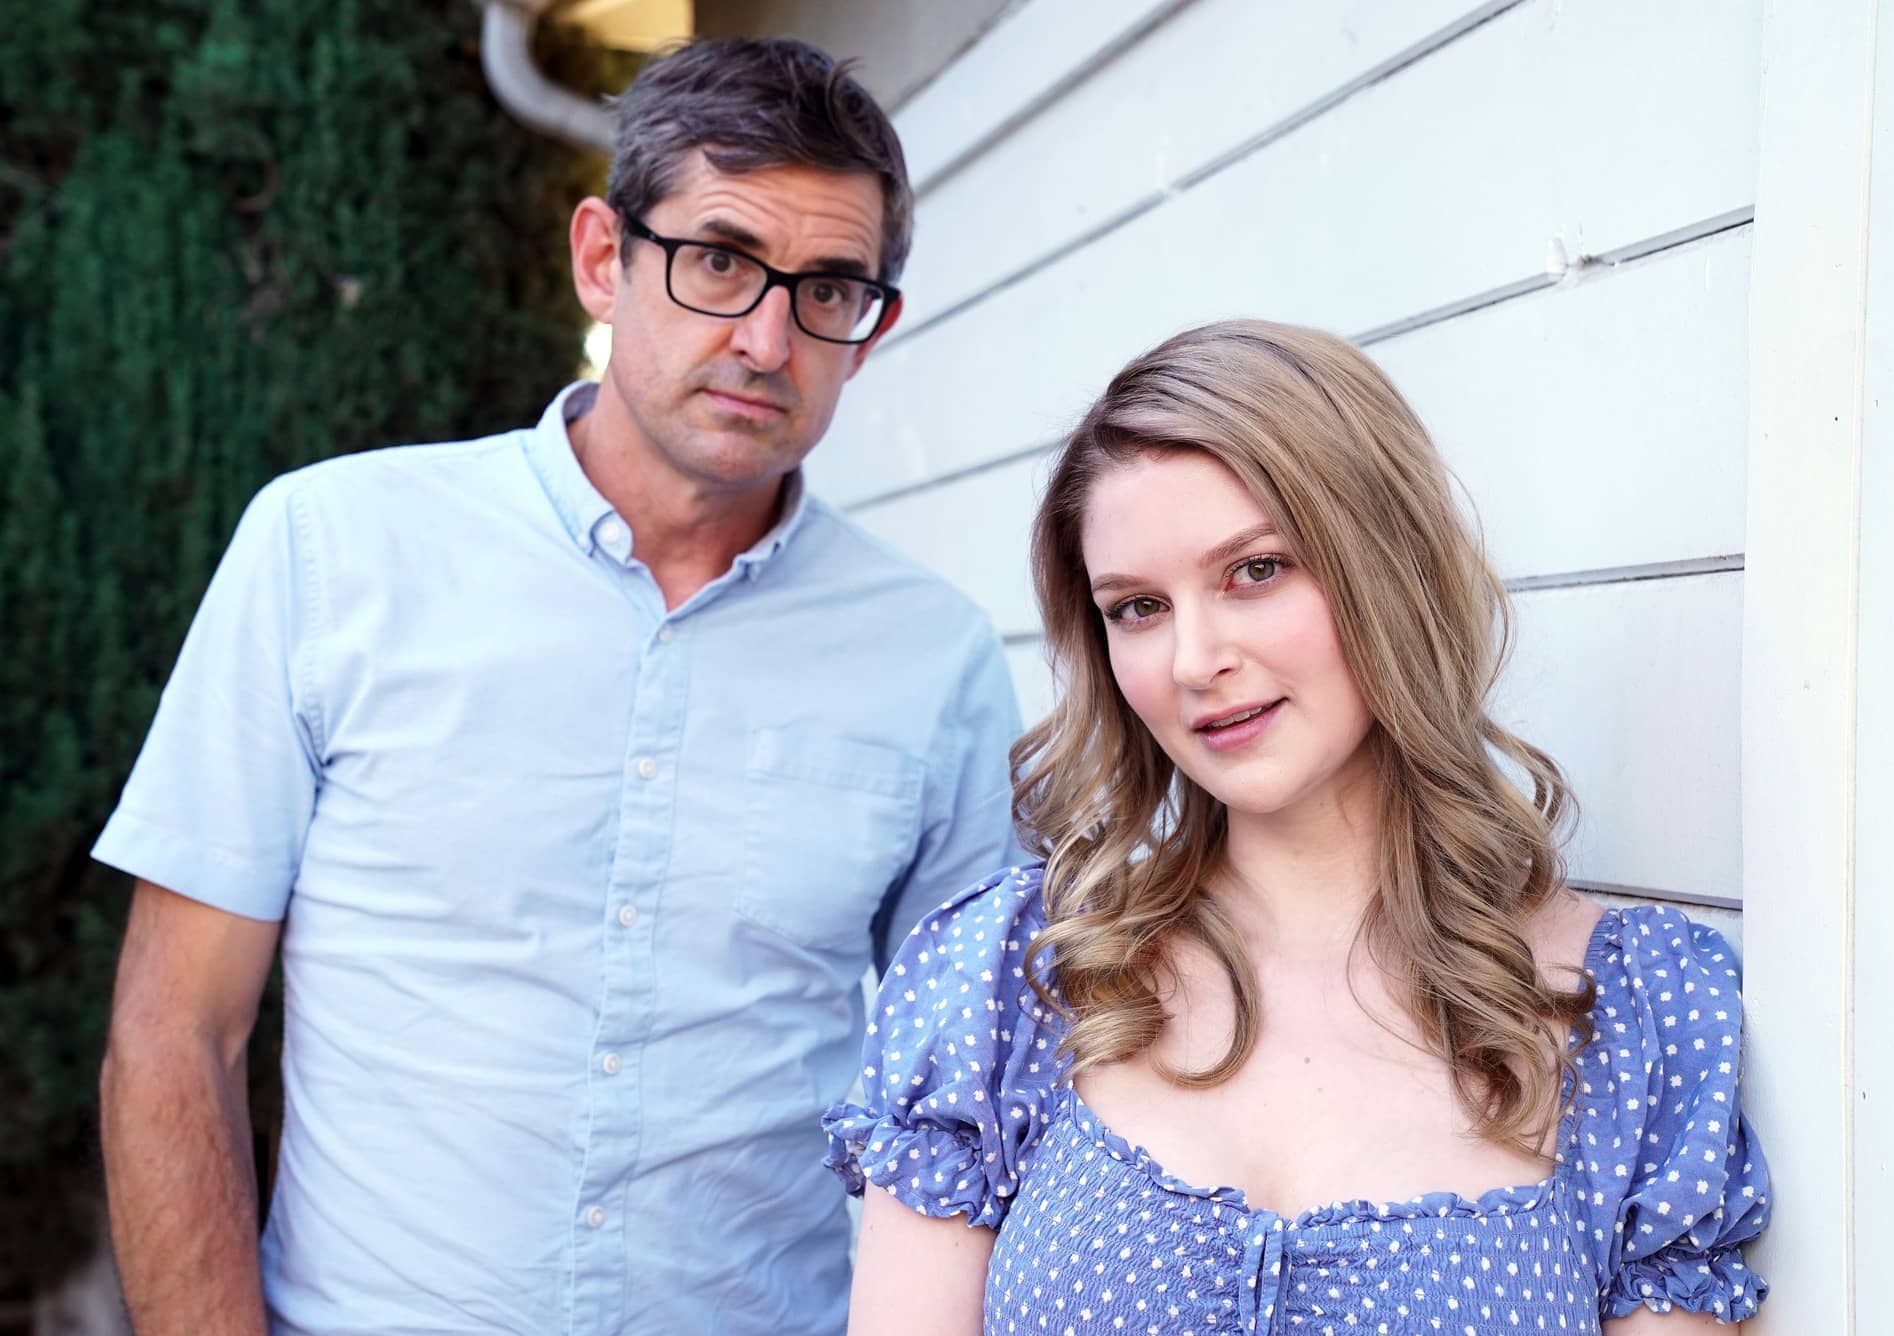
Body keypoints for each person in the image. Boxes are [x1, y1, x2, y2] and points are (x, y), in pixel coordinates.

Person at [94, 37, 1023, 1336]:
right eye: (719, 261)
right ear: (602, 257)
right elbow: (175, 1035)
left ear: (871, 333)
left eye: (827, 290)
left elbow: (972, 1102)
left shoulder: (935, 661)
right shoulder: (330, 550)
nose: (767, 339)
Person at [827, 320, 1771, 1334]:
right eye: (1138, 607)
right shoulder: (1016, 975)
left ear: (1389, 567)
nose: (1194, 660)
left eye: (1255, 570)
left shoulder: (1634, 1013)